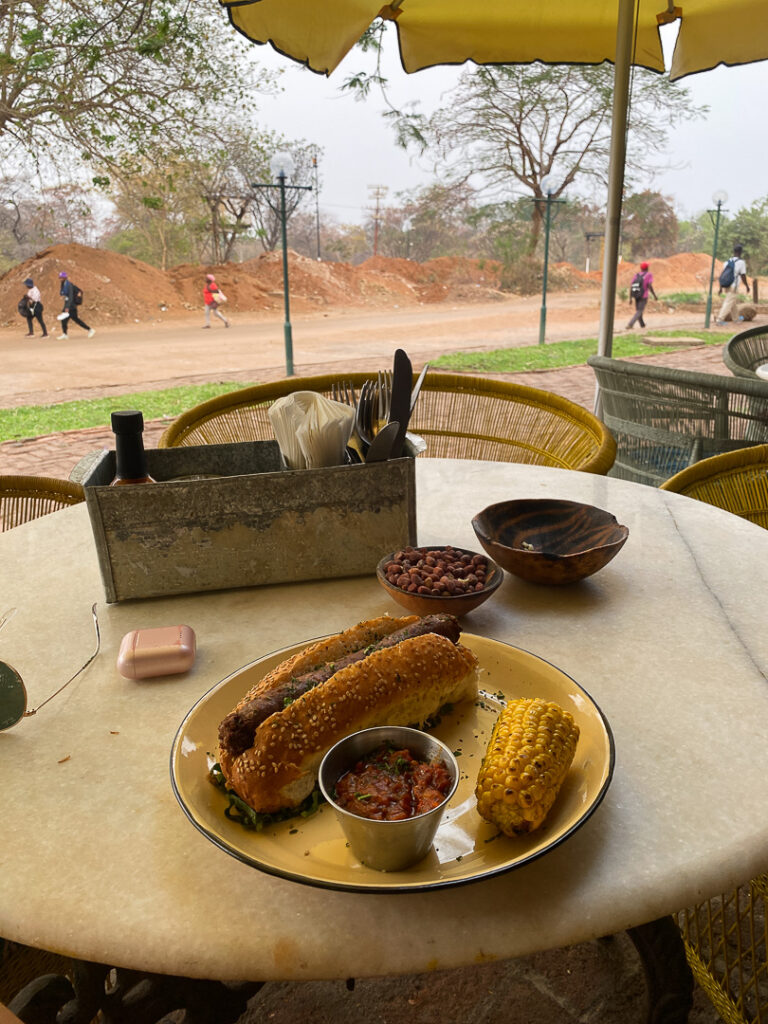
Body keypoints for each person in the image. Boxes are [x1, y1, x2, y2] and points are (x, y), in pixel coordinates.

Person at [716, 244, 750, 324]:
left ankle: (736, 319)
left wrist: (721, 288)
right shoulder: (741, 262)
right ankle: (720, 319)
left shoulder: (727, 262)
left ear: (734, 251)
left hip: (727, 285)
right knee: (728, 302)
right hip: (734, 286)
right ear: (741, 252)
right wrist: (747, 286)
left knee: (732, 302)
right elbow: (743, 276)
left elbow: (722, 275)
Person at [57, 270, 95, 340]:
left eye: (61, 277)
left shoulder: (69, 285)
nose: (60, 279)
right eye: (60, 277)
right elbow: (63, 294)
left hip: (71, 306)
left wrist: (67, 307)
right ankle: (65, 334)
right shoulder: (63, 284)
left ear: (65, 278)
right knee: (70, 320)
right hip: (68, 304)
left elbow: (71, 296)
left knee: (72, 320)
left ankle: (90, 330)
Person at [626, 261, 658, 329]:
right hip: (644, 296)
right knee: (640, 311)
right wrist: (654, 295)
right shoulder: (649, 275)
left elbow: (632, 286)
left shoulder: (637, 275)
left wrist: (630, 298)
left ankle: (642, 325)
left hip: (636, 295)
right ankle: (630, 324)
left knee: (639, 310)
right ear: (647, 268)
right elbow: (649, 285)